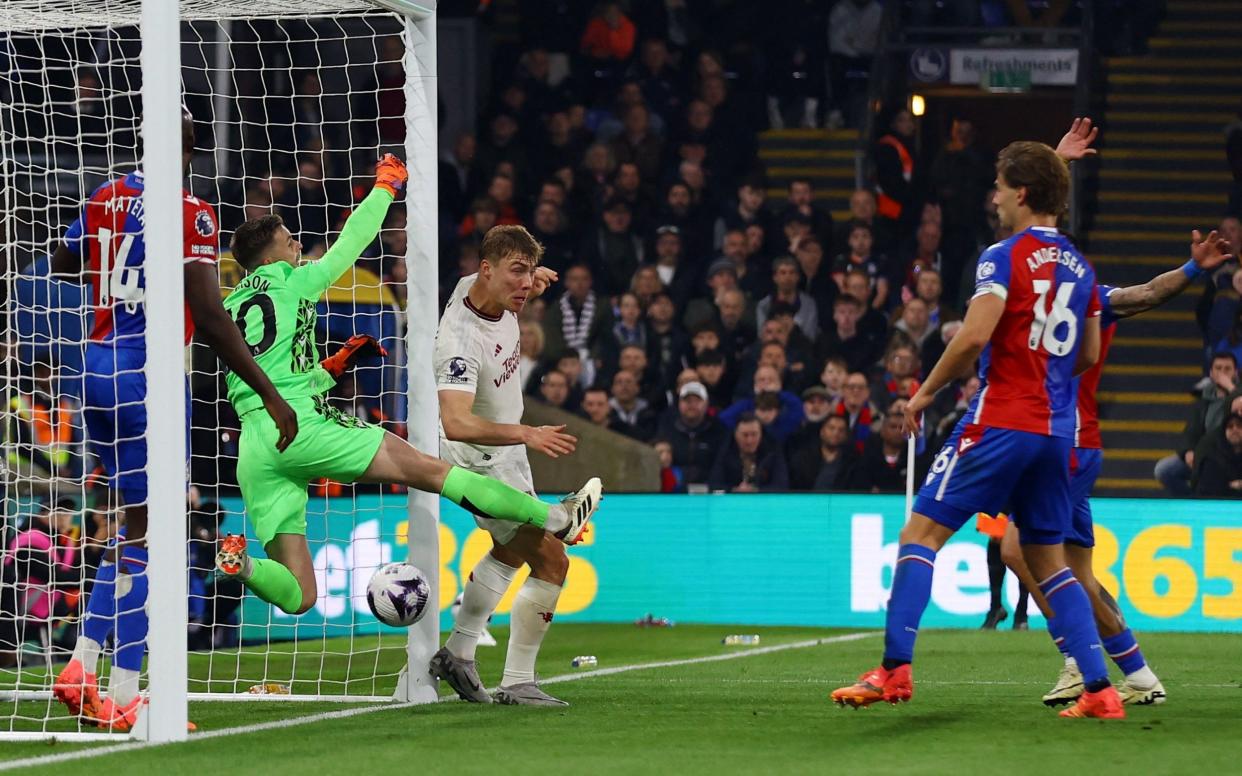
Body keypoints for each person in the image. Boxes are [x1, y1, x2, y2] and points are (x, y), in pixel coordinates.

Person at [214, 165, 601, 700]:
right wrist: (384, 187)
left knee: (299, 593)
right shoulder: (295, 279)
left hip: (256, 445)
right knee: (429, 469)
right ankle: (557, 516)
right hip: (301, 423)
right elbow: (350, 242)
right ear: (271, 256)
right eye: (289, 241)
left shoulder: (229, 305)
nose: (298, 246)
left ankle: (243, 565)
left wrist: (335, 363)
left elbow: (268, 369)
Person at [830, 138, 1120, 718]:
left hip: (999, 422)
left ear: (1022, 193)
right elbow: (1087, 353)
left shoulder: (1001, 256)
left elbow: (971, 336)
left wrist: (926, 392)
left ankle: (891, 671)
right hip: (1056, 431)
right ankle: (1101, 691)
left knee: (920, 536)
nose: (993, 197)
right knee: (1048, 561)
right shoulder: (1083, 269)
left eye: (998, 186)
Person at [48, 110, 300, 732]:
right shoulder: (192, 212)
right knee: (159, 532)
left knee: (133, 526)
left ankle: (82, 669)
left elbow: (61, 258)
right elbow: (212, 318)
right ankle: (128, 692)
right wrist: (269, 393)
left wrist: (121, 280)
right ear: (193, 147)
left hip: (94, 370)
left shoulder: (107, 195)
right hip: (148, 378)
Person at [994, 192, 1233, 706]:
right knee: (1075, 571)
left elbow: (1148, 292)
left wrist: (1194, 267)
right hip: (1071, 443)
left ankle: (1078, 661)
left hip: (1065, 443)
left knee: (1018, 549)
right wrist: (1193, 266)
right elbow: (1146, 292)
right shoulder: (1074, 295)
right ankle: (1141, 677)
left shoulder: (1073, 294)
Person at [429, 223, 605, 707]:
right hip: (481, 462)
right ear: (486, 271)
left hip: (508, 452)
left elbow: (503, 269)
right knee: (553, 558)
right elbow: (457, 422)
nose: (525, 285)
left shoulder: (481, 288)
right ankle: (518, 681)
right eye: (517, 273)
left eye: (529, 273)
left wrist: (528, 273)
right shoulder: (459, 343)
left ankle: (458, 652)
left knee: (509, 553)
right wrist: (525, 432)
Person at [1154, 352, 1236, 495]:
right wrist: (1188, 451)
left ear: (1236, 372)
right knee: (1164, 470)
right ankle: (1192, 505)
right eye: (1218, 368)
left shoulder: (1238, 395)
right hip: (1206, 454)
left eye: (1227, 369)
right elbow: (1191, 430)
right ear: (1211, 373)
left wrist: (1231, 389)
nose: (1223, 373)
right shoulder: (1204, 397)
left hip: (1233, 455)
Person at [707, 413, 789, 492]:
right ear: (736, 434)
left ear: (761, 434)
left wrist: (756, 491)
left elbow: (781, 485)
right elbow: (714, 484)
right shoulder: (725, 450)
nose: (749, 441)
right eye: (745, 435)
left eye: (754, 434)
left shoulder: (772, 451)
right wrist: (734, 490)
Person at [1195, 413, 1242, 497]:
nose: (1235, 429)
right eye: (1230, 426)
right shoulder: (1212, 459)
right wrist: (1229, 486)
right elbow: (1206, 489)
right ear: (1224, 432)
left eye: (1239, 426)